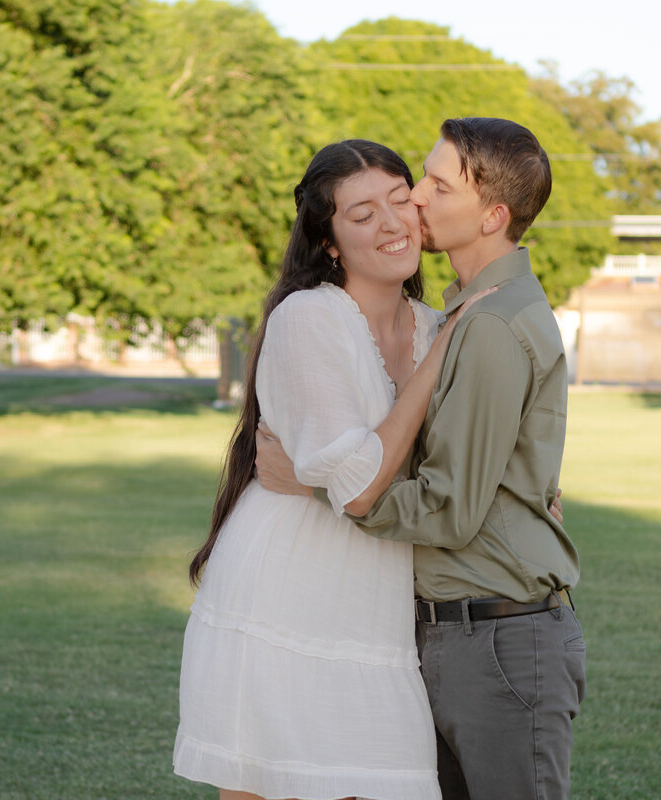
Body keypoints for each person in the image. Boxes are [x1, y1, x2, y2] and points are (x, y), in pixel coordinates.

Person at [256, 118, 586, 800]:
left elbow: (447, 509)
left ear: (492, 216)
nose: (417, 199)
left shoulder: (489, 324)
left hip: (496, 636)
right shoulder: (466, 315)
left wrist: (315, 485)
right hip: (463, 632)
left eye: (437, 185)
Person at [173, 139, 495, 800]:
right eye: (362, 214)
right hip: (284, 596)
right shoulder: (309, 319)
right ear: (329, 243)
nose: (391, 223)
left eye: (400, 200)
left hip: (378, 608)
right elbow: (359, 484)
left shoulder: (439, 324)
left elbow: (450, 473)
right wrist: (437, 362)